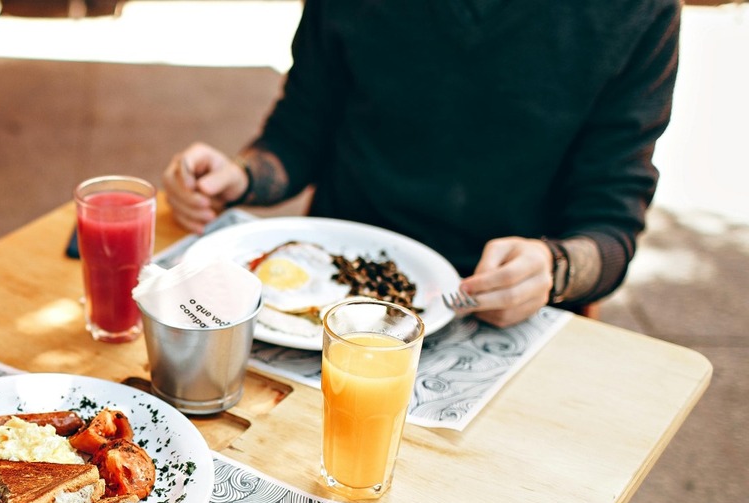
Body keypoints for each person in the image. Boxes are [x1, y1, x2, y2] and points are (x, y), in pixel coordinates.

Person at [163, 0, 680, 328]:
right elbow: (299, 131)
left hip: (496, 313)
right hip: (325, 298)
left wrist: (554, 267)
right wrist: (244, 175)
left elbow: (611, 228)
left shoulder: (638, 11)